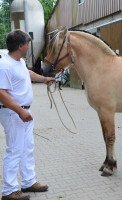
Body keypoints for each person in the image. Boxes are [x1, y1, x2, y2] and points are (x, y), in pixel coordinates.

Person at [0, 30, 54, 200]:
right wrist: (20, 111)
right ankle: (9, 191)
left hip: (23, 112)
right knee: (15, 150)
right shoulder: (5, 66)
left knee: (27, 148)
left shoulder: (20, 61)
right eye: (27, 43)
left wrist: (45, 79)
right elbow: (1, 93)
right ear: (21, 46)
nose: (29, 46)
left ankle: (29, 181)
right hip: (13, 113)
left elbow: (28, 74)